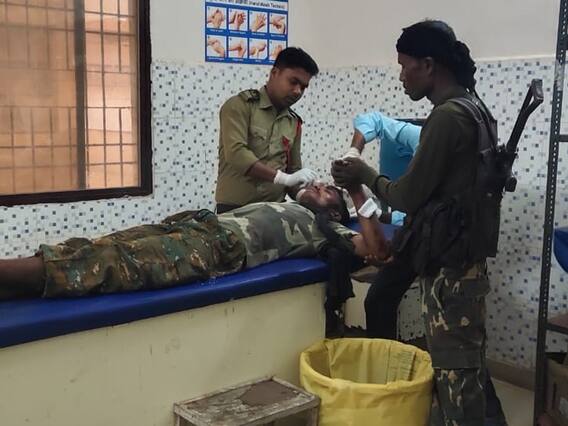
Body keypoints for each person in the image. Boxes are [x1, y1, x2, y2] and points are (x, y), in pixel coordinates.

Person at [332, 20, 506, 426]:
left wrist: (363, 175)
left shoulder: (448, 117)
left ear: (428, 65)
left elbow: (408, 196)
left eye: (404, 65)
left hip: (450, 268)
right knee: (467, 364)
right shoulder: (476, 109)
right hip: (464, 257)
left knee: (456, 375)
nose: (400, 75)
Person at [0, 183, 389, 301]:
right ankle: (14, 283)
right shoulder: (287, 202)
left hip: (219, 248)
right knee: (102, 244)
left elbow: (374, 250)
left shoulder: (326, 227)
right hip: (198, 224)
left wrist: (356, 191)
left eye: (327, 190)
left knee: (118, 261)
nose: (318, 184)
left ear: (335, 211)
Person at [215, 47, 320, 214]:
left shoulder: (293, 122)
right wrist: (283, 178)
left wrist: (307, 194)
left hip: (274, 212)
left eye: (303, 87)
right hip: (235, 211)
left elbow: (293, 172)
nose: (298, 91)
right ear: (274, 73)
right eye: (293, 82)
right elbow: (236, 154)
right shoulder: (240, 106)